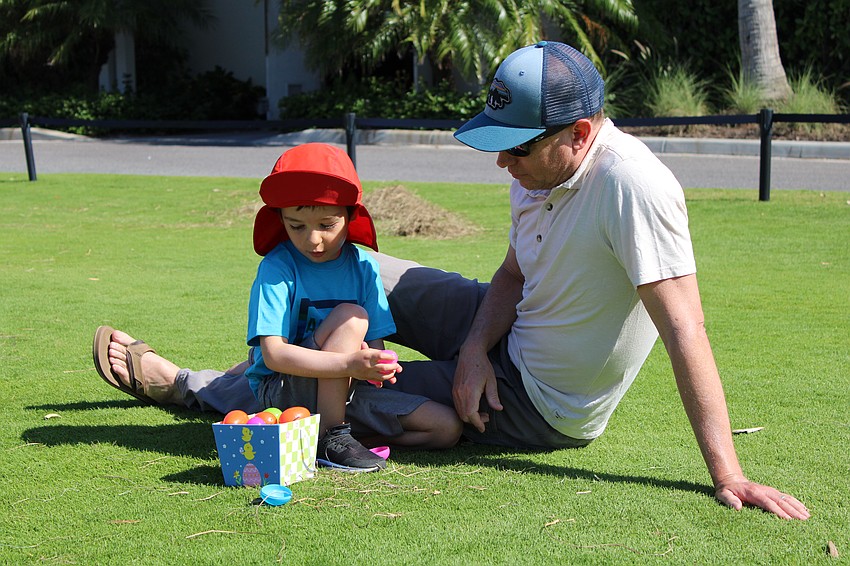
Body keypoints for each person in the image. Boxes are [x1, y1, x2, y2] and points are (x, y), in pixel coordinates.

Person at [92, 42, 809, 520]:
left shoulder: (633, 188)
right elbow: (511, 273)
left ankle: (192, 387)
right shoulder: (540, 165)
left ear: (581, 136)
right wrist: (471, 350)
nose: (503, 166)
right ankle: (290, 370)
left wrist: (728, 472)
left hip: (540, 402)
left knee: (366, 389)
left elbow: (685, 327)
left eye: (516, 149)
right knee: (356, 271)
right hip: (503, 334)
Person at [93, 143, 462, 472]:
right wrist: (348, 363)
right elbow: (272, 356)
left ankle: (322, 434)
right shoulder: (278, 267)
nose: (312, 239)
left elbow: (376, 346)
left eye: (327, 224)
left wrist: (375, 365)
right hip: (281, 384)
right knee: (351, 317)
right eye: (296, 225)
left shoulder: (363, 266)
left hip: (344, 391)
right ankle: (331, 438)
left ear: (350, 216)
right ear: (280, 219)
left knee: (445, 427)